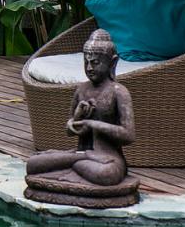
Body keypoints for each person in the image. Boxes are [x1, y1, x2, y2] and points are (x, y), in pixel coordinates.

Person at [25, 29, 135, 186]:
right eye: (86, 62)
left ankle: (69, 168)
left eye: (95, 62)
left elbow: (129, 135)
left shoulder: (119, 92)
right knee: (33, 163)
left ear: (112, 62)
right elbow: (69, 130)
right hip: (82, 154)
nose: (89, 68)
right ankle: (78, 162)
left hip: (108, 159)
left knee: (106, 174)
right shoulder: (82, 90)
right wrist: (77, 118)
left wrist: (92, 124)